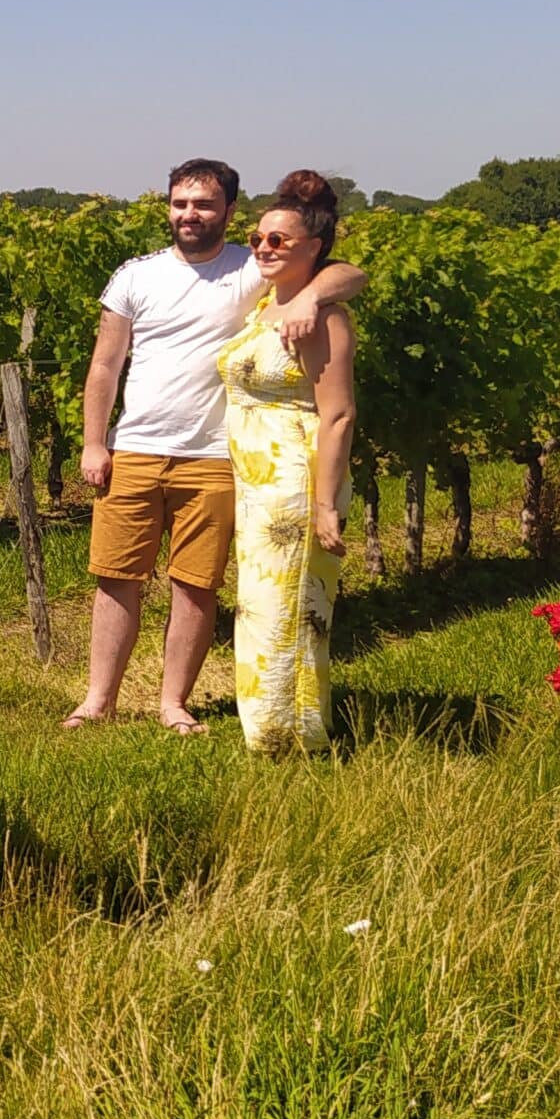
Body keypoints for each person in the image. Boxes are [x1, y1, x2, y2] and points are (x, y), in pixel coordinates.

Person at [65, 159, 364, 735]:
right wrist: (93, 443)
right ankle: (98, 700)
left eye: (203, 204)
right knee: (115, 577)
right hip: (135, 448)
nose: (189, 214)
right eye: (180, 203)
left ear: (228, 210)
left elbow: (347, 273)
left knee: (196, 585)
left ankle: (173, 702)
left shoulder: (252, 268)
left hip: (215, 458)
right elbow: (105, 364)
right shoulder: (135, 276)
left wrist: (307, 301)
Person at [221, 172, 357, 753]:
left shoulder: (319, 318)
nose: (264, 249)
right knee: (261, 607)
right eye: (258, 238)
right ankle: (270, 731)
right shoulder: (267, 307)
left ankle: (294, 737)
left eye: (280, 241)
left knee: (290, 610)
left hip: (295, 484)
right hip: (257, 487)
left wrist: (325, 504)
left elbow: (339, 416)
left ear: (315, 250)